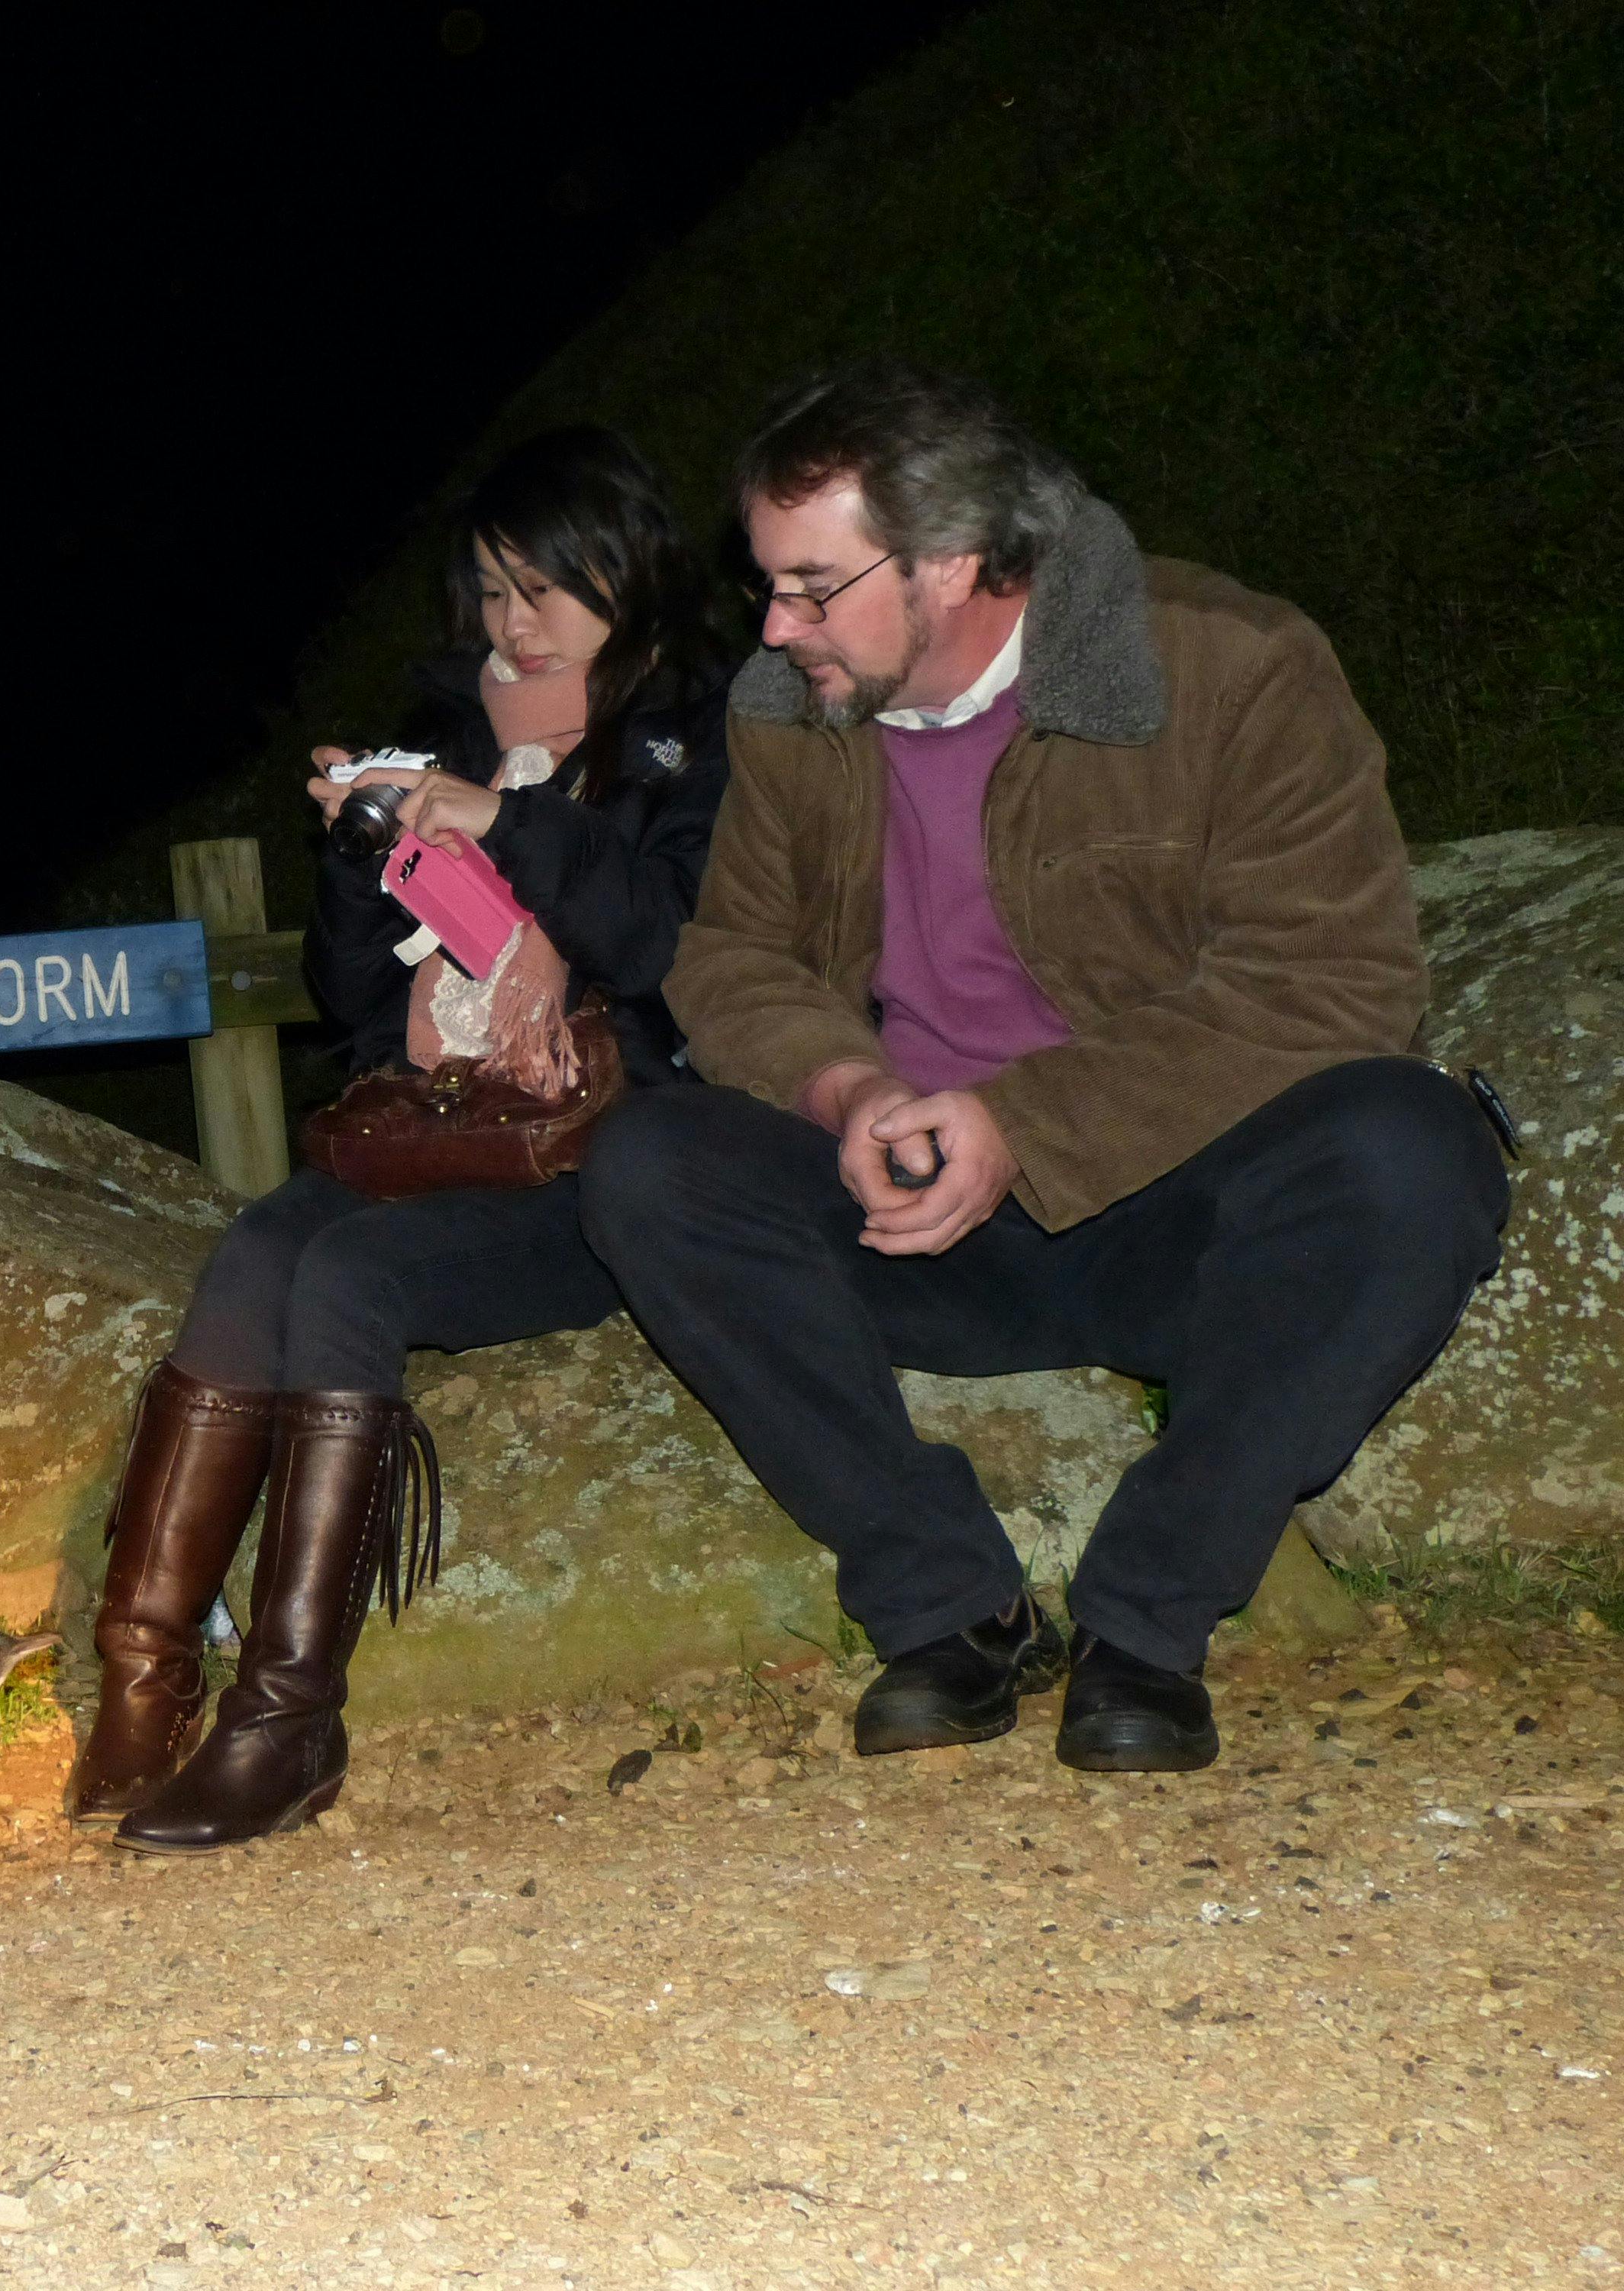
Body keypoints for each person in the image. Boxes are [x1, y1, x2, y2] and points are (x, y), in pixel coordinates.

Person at [582, 360, 1509, 1773]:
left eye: (814, 586)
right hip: (917, 1221)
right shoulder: (789, 705)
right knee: (652, 1165)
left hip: (1175, 1217)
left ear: (953, 562)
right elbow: (734, 963)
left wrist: (1025, 1121)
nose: (774, 627)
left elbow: (1339, 982)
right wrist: (852, 1091)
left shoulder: (1227, 665)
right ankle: (951, 1609)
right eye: (769, 584)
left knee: (1414, 1145)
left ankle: (1148, 1622)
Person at [76, 427, 733, 1854]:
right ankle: (142, 1676)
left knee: (355, 1280)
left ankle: (288, 1715)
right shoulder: (434, 727)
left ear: (630, 578)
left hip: (598, 1152)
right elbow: (346, 995)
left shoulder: (696, 732)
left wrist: (509, 824)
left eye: (549, 590)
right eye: (493, 592)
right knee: (261, 1245)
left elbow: (668, 946)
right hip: (426, 1124)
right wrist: (366, 851)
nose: (514, 626)